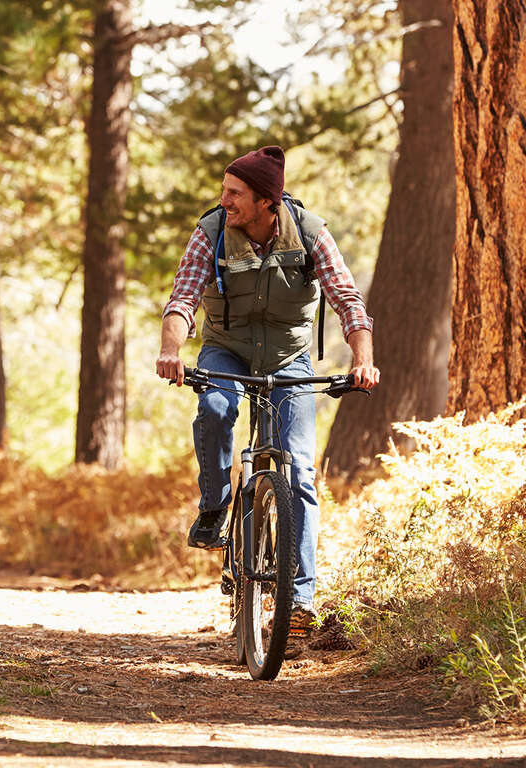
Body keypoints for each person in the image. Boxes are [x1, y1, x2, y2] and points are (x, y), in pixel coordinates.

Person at [155, 145, 379, 637]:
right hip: (226, 351)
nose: (224, 201)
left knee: (298, 470)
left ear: (266, 203)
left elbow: (348, 300)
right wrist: (172, 350)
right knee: (215, 408)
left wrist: (362, 361)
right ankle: (215, 505)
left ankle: (298, 601)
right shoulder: (211, 232)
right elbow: (183, 299)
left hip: (288, 358)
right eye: (224, 191)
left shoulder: (312, 234)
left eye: (235, 194)